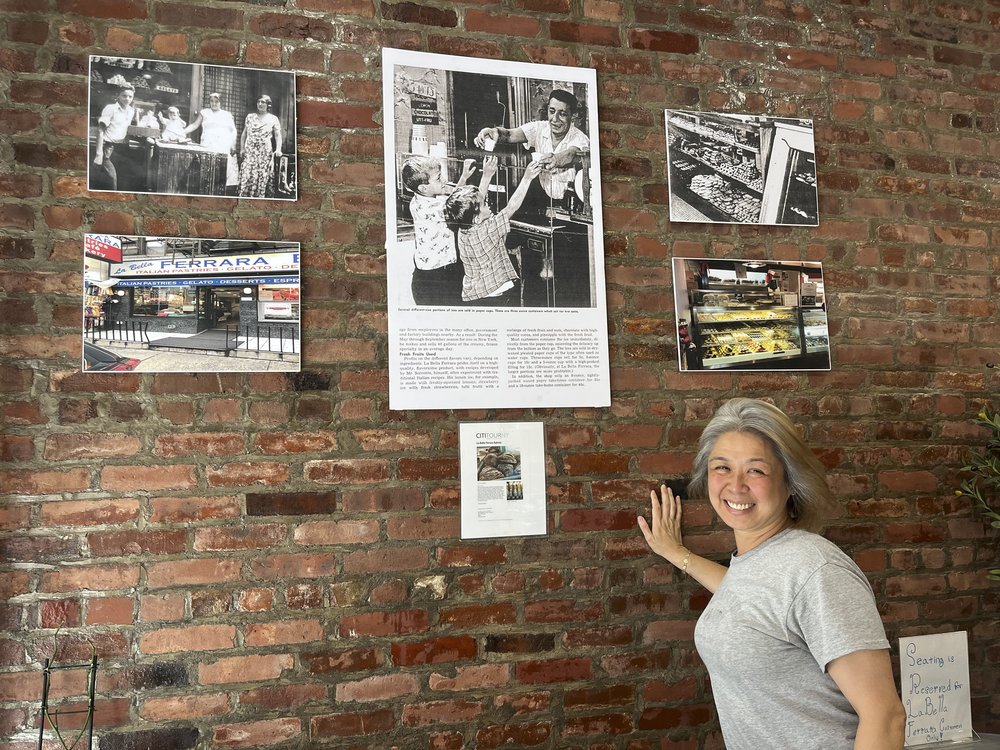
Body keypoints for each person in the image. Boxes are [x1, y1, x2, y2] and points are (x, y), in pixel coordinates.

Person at [637, 398, 905, 750]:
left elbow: (885, 717)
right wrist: (678, 554)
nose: (736, 486)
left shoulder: (817, 570)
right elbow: (753, 599)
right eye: (722, 468)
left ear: (791, 482)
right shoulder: (760, 563)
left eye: (756, 470)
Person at [474, 89, 589, 278]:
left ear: (572, 116)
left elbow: (572, 154)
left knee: (568, 266)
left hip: (570, 208)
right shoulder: (540, 128)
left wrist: (554, 159)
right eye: (552, 111)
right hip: (543, 200)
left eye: (562, 113)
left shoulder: (580, 138)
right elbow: (510, 135)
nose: (555, 119)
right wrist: (493, 132)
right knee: (535, 257)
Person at [443, 156, 543, 306]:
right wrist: (527, 178)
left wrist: (487, 175)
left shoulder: (462, 230)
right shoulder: (488, 230)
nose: (487, 204)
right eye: (484, 205)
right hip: (496, 296)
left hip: (474, 295)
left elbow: (475, 203)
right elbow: (511, 207)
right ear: (476, 218)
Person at [401, 155, 476, 306]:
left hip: (426, 277)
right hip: (437, 280)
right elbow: (461, 204)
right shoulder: (433, 209)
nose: (444, 180)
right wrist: (487, 176)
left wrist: (464, 176)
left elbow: (453, 199)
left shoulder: (418, 200)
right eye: (438, 178)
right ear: (424, 187)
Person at [184, 92, 238, 194]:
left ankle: (219, 193)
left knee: (221, 171)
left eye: (216, 101)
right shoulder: (205, 112)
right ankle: (206, 193)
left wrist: (233, 144)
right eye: (211, 101)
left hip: (222, 145)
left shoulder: (227, 115)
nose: (214, 104)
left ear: (221, 102)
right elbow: (195, 125)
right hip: (208, 144)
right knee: (207, 170)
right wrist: (182, 132)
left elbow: (233, 131)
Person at [92, 84, 136, 190]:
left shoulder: (131, 111)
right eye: (124, 96)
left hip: (122, 149)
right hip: (108, 148)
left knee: (123, 181)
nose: (127, 99)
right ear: (118, 96)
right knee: (112, 180)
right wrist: (99, 154)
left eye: (130, 96)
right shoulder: (111, 108)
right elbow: (100, 130)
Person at [239, 94, 283, 198]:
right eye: (258, 101)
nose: (260, 104)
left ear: (268, 104)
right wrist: (241, 148)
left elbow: (277, 135)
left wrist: (278, 149)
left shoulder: (273, 118)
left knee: (262, 175)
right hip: (250, 151)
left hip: (264, 152)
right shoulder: (250, 117)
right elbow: (244, 134)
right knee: (248, 173)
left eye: (262, 102)